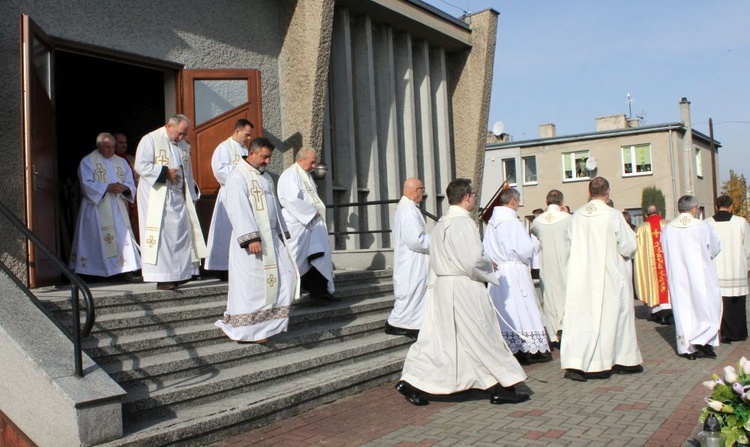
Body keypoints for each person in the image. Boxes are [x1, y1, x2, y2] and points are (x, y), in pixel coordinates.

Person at [396, 178, 529, 406]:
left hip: (443, 286)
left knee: (441, 341)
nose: (475, 199)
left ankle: (412, 381)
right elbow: (473, 260)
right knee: (483, 334)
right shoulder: (464, 223)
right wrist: (489, 266)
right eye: (474, 195)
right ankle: (503, 385)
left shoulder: (441, 224)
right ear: (467, 197)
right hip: (463, 286)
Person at [214, 137, 298, 343]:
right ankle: (248, 331)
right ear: (251, 154)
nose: (267, 161)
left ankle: (267, 326)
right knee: (253, 288)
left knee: (286, 279)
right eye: (264, 157)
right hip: (252, 242)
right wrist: (251, 237)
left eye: (269, 157)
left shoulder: (266, 177)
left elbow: (275, 207)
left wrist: (282, 232)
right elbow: (237, 209)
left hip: (271, 239)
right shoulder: (237, 177)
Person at [561, 177, 642, 381]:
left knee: (582, 319)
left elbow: (570, 243)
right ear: (607, 191)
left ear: (589, 192)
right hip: (608, 275)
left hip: (582, 275)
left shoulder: (576, 215)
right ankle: (618, 360)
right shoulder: (613, 215)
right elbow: (628, 246)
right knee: (612, 318)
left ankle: (578, 362)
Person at [134, 114, 206, 291]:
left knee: (179, 234)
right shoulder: (150, 139)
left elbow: (187, 173)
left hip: (177, 196)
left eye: (184, 134)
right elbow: (141, 165)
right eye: (180, 133)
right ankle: (162, 277)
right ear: (169, 125)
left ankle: (179, 274)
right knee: (162, 237)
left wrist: (190, 195)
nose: (181, 137)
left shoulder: (181, 145)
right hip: (156, 196)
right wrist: (165, 172)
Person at [484, 187, 551, 364]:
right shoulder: (512, 222)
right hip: (515, 271)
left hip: (498, 272)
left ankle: (511, 346)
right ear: (513, 201)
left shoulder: (492, 222)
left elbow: (486, 248)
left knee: (506, 311)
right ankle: (528, 347)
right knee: (523, 307)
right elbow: (524, 249)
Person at [69, 133, 141, 282]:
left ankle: (125, 270)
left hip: (117, 206)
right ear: (99, 146)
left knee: (122, 237)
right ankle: (93, 272)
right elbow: (86, 183)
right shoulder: (88, 161)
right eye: (108, 147)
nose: (111, 150)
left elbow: (130, 181)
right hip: (96, 207)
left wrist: (124, 187)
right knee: (96, 238)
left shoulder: (121, 162)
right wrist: (107, 187)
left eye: (113, 147)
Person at [661, 195, 722, 359]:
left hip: (678, 275)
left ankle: (687, 348)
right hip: (700, 274)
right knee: (705, 306)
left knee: (683, 309)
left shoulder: (668, 228)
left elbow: (663, 249)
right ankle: (704, 342)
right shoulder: (702, 226)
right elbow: (715, 247)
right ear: (694, 208)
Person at [277, 147, 336, 302]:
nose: (314, 166)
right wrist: (311, 212)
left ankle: (319, 290)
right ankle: (287, 293)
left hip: (312, 224)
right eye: (312, 162)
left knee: (318, 255)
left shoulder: (306, 176)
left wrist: (313, 213)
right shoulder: (290, 175)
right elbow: (291, 200)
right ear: (300, 159)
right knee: (296, 259)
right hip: (297, 224)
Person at [204, 119, 255, 280]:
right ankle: (223, 268)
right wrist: (241, 173)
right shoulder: (224, 148)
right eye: (246, 134)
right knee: (226, 230)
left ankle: (239, 266)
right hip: (229, 193)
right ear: (237, 131)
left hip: (244, 193)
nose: (248, 138)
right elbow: (219, 170)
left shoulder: (244, 149)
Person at [385, 177, 430, 338]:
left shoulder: (407, 208)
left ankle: (412, 324)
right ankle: (396, 323)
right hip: (411, 260)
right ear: (416, 190)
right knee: (410, 292)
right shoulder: (408, 210)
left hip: (412, 260)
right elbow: (416, 240)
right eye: (422, 190)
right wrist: (435, 241)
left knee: (415, 293)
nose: (423, 194)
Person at [530, 189, 571, 349]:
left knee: (549, 297)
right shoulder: (568, 219)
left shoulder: (538, 221)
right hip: (565, 262)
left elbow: (535, 233)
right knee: (566, 296)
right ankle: (565, 328)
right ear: (561, 203)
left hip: (546, 265)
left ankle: (553, 334)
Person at [707, 194, 750, 343]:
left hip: (716, 269)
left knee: (719, 303)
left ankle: (721, 332)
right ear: (731, 207)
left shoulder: (707, 223)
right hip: (736, 268)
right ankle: (738, 333)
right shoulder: (740, 222)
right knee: (736, 303)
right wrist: (747, 264)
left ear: (716, 207)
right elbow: (748, 246)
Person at [634, 205, 672, 324]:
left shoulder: (640, 229)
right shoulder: (669, 225)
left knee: (652, 283)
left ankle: (657, 313)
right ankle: (668, 313)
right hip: (667, 266)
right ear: (659, 212)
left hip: (650, 269)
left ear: (646, 215)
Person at [114, 131, 139, 238]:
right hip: (118, 199)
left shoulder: (131, 159)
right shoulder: (108, 160)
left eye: (125, 142)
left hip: (133, 198)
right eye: (120, 143)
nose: (124, 145)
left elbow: (138, 179)